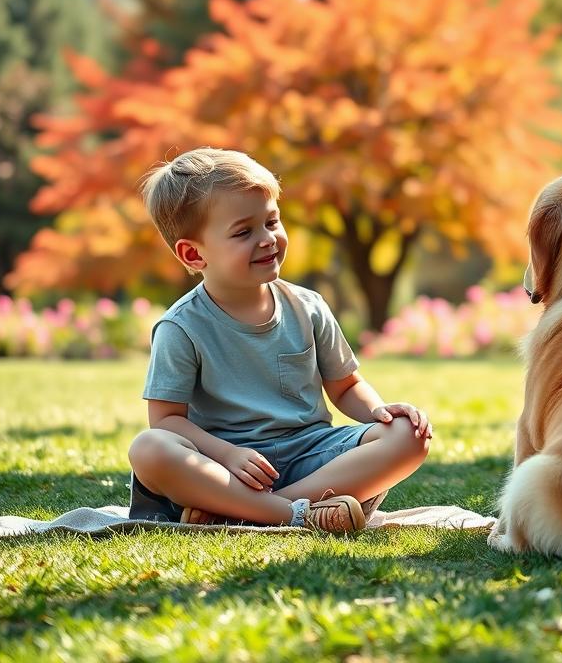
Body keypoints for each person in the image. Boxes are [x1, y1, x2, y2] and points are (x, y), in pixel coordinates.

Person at [127, 147, 432, 533]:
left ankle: (246, 512)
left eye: (272, 221)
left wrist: (380, 413)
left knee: (409, 436)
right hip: (225, 467)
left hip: (311, 453)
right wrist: (229, 454)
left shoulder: (308, 306)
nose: (267, 238)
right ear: (193, 253)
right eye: (243, 231)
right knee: (148, 449)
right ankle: (296, 515)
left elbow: (347, 385)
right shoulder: (181, 327)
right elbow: (167, 422)